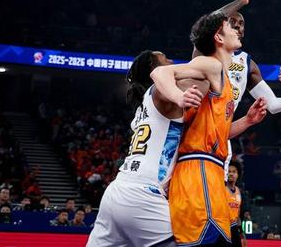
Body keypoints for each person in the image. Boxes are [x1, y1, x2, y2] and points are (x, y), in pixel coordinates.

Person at [88, 45, 266, 247]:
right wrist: (212, 56)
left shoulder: (148, 107)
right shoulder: (162, 93)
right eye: (165, 58)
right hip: (143, 195)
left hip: (117, 193)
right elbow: (203, 76)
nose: (171, 62)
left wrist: (247, 121)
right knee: (195, 243)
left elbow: (211, 133)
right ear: (154, 70)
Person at [152, 12, 267, 247]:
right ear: (219, 38)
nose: (236, 30)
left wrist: (247, 121)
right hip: (197, 170)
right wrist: (179, 96)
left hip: (212, 171)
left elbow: (218, 132)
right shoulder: (211, 64)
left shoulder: (223, 76)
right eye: (230, 26)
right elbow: (160, 72)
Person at [194, 0, 281, 179]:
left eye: (241, 24)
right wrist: (240, 2)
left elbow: (272, 105)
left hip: (222, 135)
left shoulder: (247, 63)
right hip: (196, 130)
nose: (238, 26)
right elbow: (208, 22)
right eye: (232, 22)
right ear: (220, 29)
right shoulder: (206, 50)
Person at [227, 160, 247, 247]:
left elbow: (238, 215)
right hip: (223, 228)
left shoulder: (239, 192)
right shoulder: (221, 189)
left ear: (238, 175)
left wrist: (241, 232)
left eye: (234, 172)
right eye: (229, 171)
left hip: (235, 228)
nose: (231, 174)